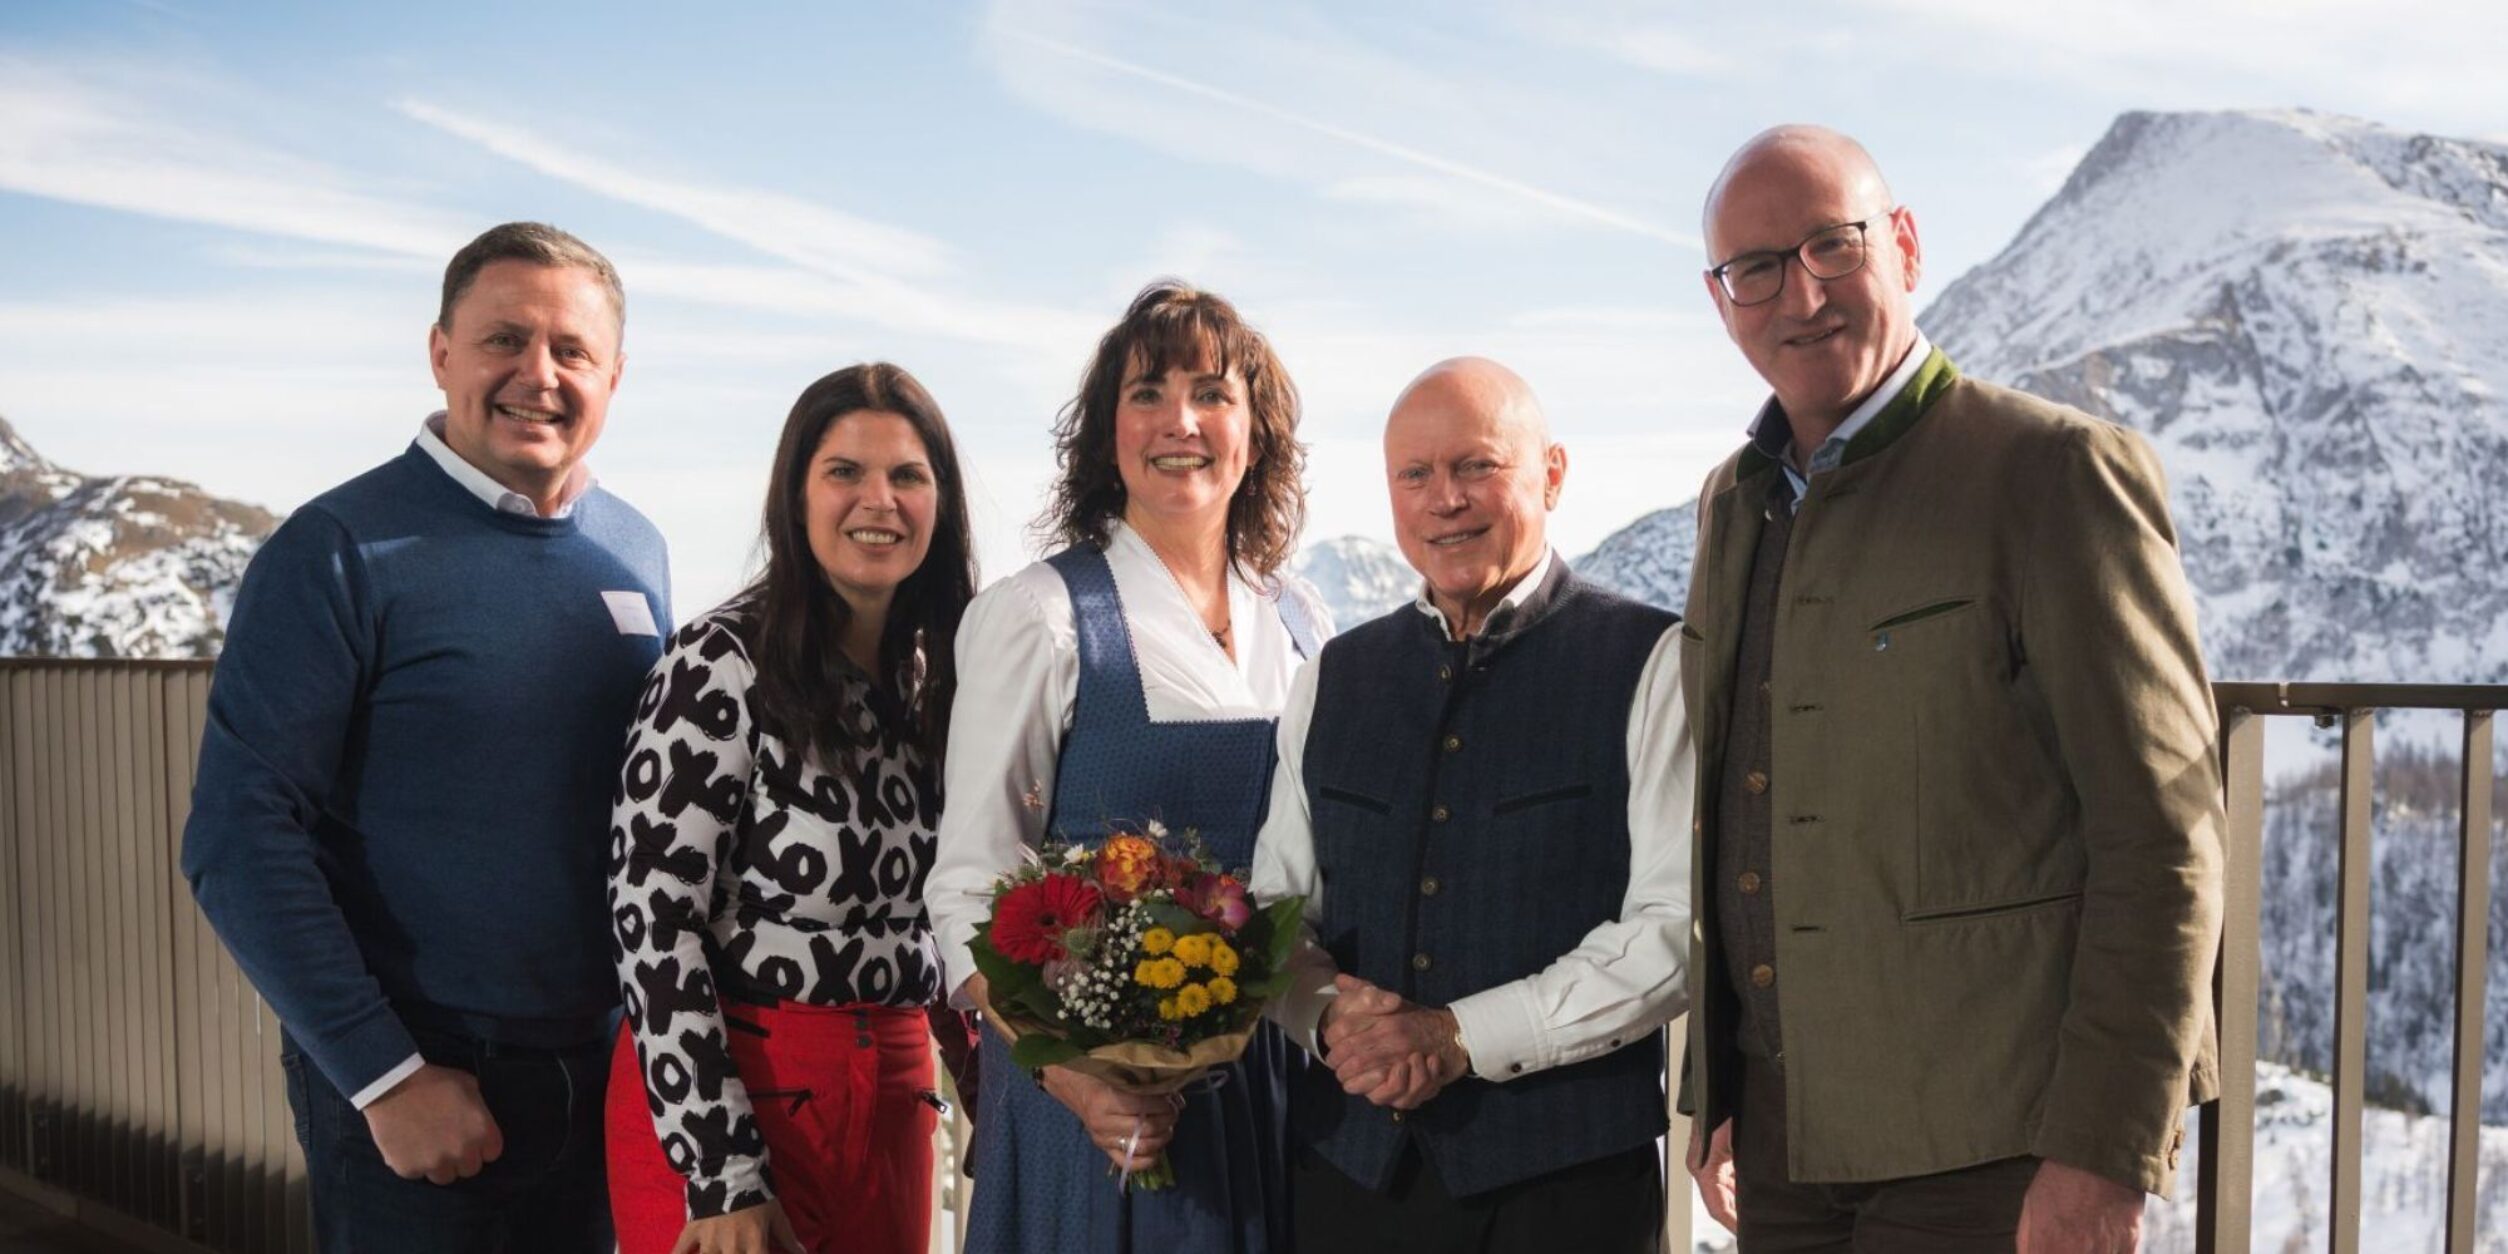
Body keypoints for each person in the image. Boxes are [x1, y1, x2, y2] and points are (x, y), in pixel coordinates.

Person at [1678, 125, 2224, 1254]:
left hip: (2000, 1150)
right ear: (1722, 298)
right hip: (1787, 1148)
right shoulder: (1732, 505)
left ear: (1907, 247)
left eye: (1833, 246)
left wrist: (2103, 1153)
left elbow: (2162, 837)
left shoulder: (2053, 474)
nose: (1802, 293)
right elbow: (1738, 797)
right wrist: (1720, 1082)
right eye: (1757, 269)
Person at [181, 222, 668, 1252]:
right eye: (505, 340)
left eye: (571, 351)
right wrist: (385, 1076)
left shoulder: (637, 552)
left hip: (603, 1076)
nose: (538, 375)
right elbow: (237, 835)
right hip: (425, 1084)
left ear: (614, 377)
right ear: (441, 351)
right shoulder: (339, 552)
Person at [1249, 358, 1694, 1254]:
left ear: (1552, 473)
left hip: (1568, 1193)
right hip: (1344, 1179)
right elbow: (1273, 906)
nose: (1443, 499)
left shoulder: (1655, 662)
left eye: (1476, 466)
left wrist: (1457, 1036)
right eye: (1414, 475)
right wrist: (1332, 1015)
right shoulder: (1334, 676)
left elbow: (1674, 931)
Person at [925, 280, 1329, 1254]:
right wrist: (1082, 1082)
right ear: (1107, 436)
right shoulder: (1040, 617)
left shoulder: (1301, 618)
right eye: (1147, 392)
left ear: (1255, 431)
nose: (1179, 420)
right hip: (1099, 1102)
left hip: (1281, 1084)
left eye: (1211, 393)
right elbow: (967, 887)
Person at [602, 362, 981, 1254]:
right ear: (797, 496)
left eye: (908, 475)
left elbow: (938, 913)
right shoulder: (717, 664)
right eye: (844, 471)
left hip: (890, 1093)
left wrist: (986, 1084)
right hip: (730, 1093)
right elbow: (652, 920)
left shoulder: (937, 680)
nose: (877, 500)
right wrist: (720, 1170)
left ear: (941, 502)